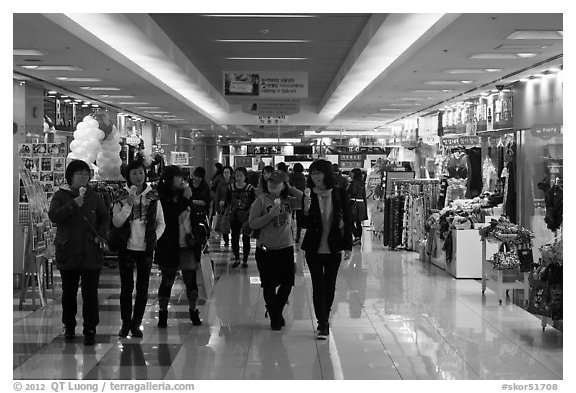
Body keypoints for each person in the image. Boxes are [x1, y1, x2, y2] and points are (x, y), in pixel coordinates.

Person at [48, 160, 110, 345]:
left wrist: (101, 234)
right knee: (69, 292)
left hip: (91, 250)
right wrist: (73, 204)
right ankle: (69, 325)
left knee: (90, 294)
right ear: (70, 176)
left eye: (86, 174)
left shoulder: (95, 196)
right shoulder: (61, 195)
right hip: (68, 250)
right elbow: (54, 216)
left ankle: (90, 328)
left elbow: (105, 217)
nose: (84, 177)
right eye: (79, 174)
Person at [112, 160, 166, 338]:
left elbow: (161, 222)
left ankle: (137, 323)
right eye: (134, 173)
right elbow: (117, 222)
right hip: (126, 247)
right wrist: (128, 204)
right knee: (126, 287)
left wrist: (153, 239)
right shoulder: (120, 195)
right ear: (128, 175)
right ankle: (125, 323)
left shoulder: (153, 196)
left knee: (143, 288)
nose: (138, 176)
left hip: (146, 249)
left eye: (141, 172)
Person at [301, 159, 353, 340]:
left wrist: (348, 245)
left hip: (334, 247)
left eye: (319, 173)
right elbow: (305, 224)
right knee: (318, 286)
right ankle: (323, 323)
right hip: (313, 248)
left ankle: (325, 316)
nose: (315, 177)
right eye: (313, 173)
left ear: (326, 174)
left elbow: (347, 219)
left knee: (330, 286)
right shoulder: (308, 194)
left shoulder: (338, 193)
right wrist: (306, 210)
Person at [249, 171, 303, 330]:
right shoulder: (260, 201)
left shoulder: (288, 200)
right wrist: (270, 215)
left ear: (283, 185)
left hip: (285, 248)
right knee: (269, 285)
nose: (272, 186)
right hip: (266, 249)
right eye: (270, 183)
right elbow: (252, 224)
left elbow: (305, 201)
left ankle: (275, 312)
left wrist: (291, 188)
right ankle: (275, 318)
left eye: (277, 183)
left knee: (287, 283)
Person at [155, 166, 203, 328]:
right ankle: (162, 314)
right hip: (169, 245)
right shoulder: (162, 197)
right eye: (177, 177)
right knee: (167, 281)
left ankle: (194, 311)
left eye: (182, 177)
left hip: (187, 246)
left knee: (191, 283)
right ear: (170, 179)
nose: (181, 180)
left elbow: (192, 218)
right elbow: (169, 216)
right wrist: (185, 199)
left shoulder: (185, 194)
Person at [225, 167, 256, 268]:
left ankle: (245, 260)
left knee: (246, 238)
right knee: (234, 237)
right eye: (237, 175)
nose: (238, 178)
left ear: (245, 177)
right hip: (234, 216)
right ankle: (237, 258)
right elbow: (227, 201)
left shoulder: (250, 188)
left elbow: (253, 202)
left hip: (246, 216)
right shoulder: (231, 188)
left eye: (240, 176)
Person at [214, 165, 233, 247]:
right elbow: (217, 196)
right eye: (224, 172)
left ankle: (233, 239)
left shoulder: (234, 183)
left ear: (231, 173)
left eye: (228, 172)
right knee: (224, 224)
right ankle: (226, 240)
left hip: (232, 207)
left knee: (232, 224)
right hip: (223, 208)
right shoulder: (220, 184)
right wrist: (216, 208)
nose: (226, 174)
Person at [348, 168, 368, 245]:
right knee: (359, 222)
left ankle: (356, 237)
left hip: (354, 203)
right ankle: (359, 238)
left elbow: (353, 192)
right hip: (361, 204)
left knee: (350, 221)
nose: (350, 174)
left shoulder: (353, 183)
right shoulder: (362, 183)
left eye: (351, 173)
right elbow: (364, 195)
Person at [289, 163, 307, 243]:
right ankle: (298, 237)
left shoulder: (290, 176)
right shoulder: (303, 177)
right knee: (299, 219)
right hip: (300, 198)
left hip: (290, 198)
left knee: (290, 217)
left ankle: (290, 235)